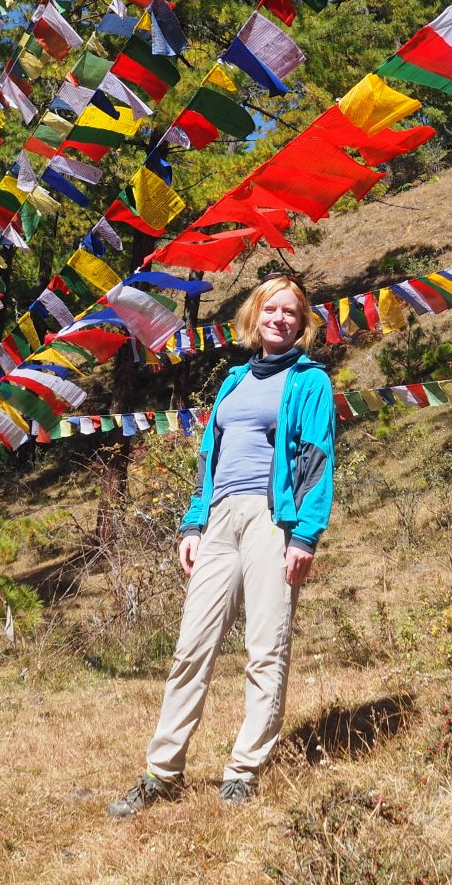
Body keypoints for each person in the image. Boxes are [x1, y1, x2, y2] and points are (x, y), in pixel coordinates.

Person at [108, 274, 336, 816]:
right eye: (271, 309)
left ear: (302, 324)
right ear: (255, 316)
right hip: (219, 521)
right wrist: (193, 525)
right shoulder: (233, 381)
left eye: (290, 312)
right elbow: (210, 462)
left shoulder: (310, 382)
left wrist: (305, 534)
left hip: (273, 520)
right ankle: (162, 772)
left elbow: (317, 460)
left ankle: (243, 771)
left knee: (265, 648)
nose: (279, 318)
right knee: (192, 647)